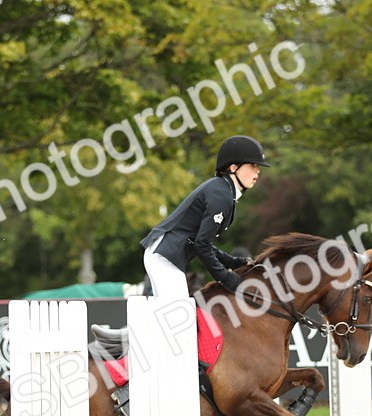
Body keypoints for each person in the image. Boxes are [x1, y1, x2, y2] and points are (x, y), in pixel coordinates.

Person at [92, 135, 268, 351]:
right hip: (164, 257)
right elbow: (202, 245)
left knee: (170, 318)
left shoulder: (224, 192)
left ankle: (118, 341)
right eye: (253, 166)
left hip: (165, 255)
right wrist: (225, 278)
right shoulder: (221, 194)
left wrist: (233, 262)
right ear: (233, 167)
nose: (258, 171)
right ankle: (124, 365)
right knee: (178, 320)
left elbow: (201, 242)